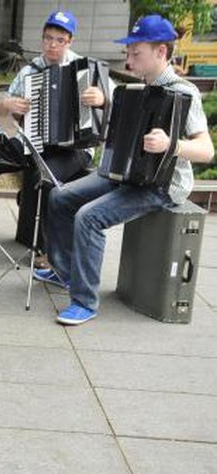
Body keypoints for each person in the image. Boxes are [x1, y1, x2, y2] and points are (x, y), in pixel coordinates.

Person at [36, 14, 213, 326]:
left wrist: (172, 145)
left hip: (160, 185)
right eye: (128, 53)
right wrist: (105, 104)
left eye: (136, 53)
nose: (128, 60)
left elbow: (206, 150)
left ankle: (84, 301)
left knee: (89, 217)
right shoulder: (136, 90)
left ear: (161, 51)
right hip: (123, 174)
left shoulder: (184, 93)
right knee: (60, 197)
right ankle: (64, 271)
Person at [0, 11, 106, 259]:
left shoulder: (85, 70)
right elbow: (1, 107)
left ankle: (46, 252)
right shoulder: (31, 70)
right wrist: (8, 106)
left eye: (59, 40)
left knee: (44, 177)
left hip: (74, 149)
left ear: (70, 41)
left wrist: (102, 99)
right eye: (47, 38)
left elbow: (113, 105)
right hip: (32, 143)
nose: (51, 44)